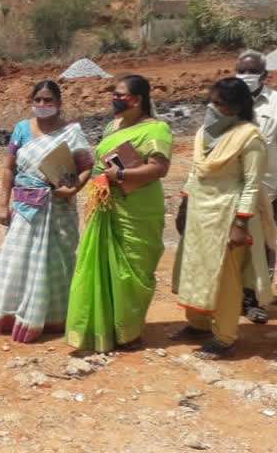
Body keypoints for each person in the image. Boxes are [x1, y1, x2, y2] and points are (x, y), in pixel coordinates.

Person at [65, 75, 172, 352]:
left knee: (132, 268)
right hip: (107, 204)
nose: (115, 98)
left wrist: (122, 173)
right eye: (114, 93)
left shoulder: (156, 130)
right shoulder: (114, 126)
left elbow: (159, 169)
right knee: (101, 263)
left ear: (137, 99)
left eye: (121, 94)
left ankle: (130, 332)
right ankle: (105, 327)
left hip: (137, 207)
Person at [173, 78, 275, 360]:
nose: (212, 107)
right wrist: (184, 205)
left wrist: (240, 223)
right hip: (200, 213)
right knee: (195, 268)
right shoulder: (205, 133)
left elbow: (252, 184)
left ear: (237, 106)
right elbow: (195, 172)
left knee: (226, 277)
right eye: (211, 101)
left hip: (228, 214)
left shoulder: (250, 137)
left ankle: (225, 336)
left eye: (219, 103)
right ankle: (198, 325)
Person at [0, 81, 93, 343]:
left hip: (58, 207)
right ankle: (15, 316)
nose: (43, 105)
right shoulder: (22, 129)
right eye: (38, 99)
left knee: (55, 262)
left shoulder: (71, 133)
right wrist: (3, 204)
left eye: (49, 100)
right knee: (16, 260)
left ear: (59, 103)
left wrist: (73, 190)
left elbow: (85, 167)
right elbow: (8, 169)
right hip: (24, 207)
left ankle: (53, 318)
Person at [235, 50, 277, 324]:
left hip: (266, 190)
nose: (246, 76)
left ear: (264, 75)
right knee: (231, 244)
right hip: (231, 189)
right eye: (241, 70)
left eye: (252, 72)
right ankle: (233, 297)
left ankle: (257, 300)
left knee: (263, 245)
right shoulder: (227, 100)